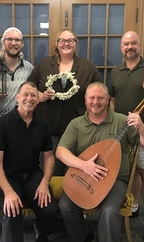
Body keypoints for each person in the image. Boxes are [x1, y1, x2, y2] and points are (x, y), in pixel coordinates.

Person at [57, 82, 144, 242]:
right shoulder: (76, 124)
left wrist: (141, 127)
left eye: (100, 98)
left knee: (109, 213)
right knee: (65, 205)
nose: (96, 102)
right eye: (91, 98)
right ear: (85, 100)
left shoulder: (121, 121)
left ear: (108, 99)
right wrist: (84, 166)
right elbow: (61, 151)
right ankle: (83, 237)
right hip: (85, 176)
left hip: (116, 180)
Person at [0, 81, 62, 242]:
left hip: (31, 175)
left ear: (38, 101)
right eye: (26, 95)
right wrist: (8, 192)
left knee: (51, 210)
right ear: (18, 98)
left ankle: (40, 228)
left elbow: (49, 157)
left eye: (33, 96)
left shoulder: (42, 125)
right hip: (5, 176)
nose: (29, 99)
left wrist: (45, 182)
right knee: (12, 211)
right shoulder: (2, 123)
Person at [109, 30, 144, 242]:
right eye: (126, 44)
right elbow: (112, 101)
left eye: (133, 43)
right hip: (123, 134)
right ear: (121, 48)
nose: (129, 47)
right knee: (128, 174)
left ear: (140, 46)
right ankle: (132, 207)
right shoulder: (115, 71)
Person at [28, 28, 101, 175]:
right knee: (50, 168)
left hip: (78, 127)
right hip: (49, 125)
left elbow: (99, 91)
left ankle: (72, 197)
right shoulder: (44, 65)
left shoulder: (88, 67)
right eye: (63, 40)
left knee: (74, 170)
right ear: (57, 44)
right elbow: (29, 88)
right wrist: (41, 96)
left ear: (75, 44)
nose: (66, 43)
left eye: (70, 40)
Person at [0, 27, 33, 118]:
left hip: (21, 120)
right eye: (10, 39)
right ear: (3, 42)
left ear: (22, 44)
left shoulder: (29, 68)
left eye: (17, 40)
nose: (13, 43)